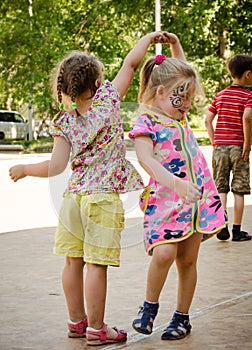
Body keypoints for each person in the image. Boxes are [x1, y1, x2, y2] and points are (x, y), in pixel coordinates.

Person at [9, 31, 173, 346]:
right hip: (101, 199)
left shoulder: (63, 121)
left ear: (65, 87)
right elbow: (131, 62)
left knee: (72, 261)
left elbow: (56, 167)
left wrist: (26, 170)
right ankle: (97, 329)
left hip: (73, 198)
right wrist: (149, 39)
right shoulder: (109, 99)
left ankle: (76, 322)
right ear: (97, 83)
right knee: (96, 264)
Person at [128, 43, 227, 340]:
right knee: (164, 253)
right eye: (181, 99)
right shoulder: (146, 122)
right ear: (161, 93)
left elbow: (181, 73)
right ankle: (149, 307)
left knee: (187, 260)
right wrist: (176, 184)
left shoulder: (178, 113)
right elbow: (146, 160)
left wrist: (176, 46)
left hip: (196, 199)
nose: (187, 106)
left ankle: (182, 318)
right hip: (166, 202)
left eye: (188, 99)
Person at [205, 54, 252, 242]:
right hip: (239, 148)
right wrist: (247, 145)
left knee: (221, 187)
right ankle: (237, 231)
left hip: (220, 148)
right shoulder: (249, 95)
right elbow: (247, 117)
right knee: (239, 190)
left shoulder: (220, 95)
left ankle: (221, 223)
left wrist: (214, 141)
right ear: (248, 74)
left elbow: (208, 119)